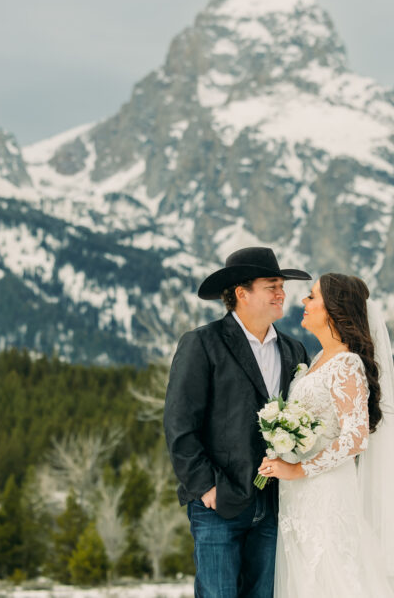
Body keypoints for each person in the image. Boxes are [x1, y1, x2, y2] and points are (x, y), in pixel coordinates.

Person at [164, 246, 311, 598]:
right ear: (242, 294)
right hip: (219, 502)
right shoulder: (202, 343)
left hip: (276, 505)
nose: (281, 294)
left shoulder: (295, 351)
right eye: (271, 286)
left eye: (281, 286)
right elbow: (179, 425)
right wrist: (206, 488)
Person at [258, 273, 394, 597]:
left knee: (333, 577)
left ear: (334, 309)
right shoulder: (317, 361)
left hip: (326, 494)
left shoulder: (346, 364)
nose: (303, 302)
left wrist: (297, 469)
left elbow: (355, 437)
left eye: (312, 297)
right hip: (298, 497)